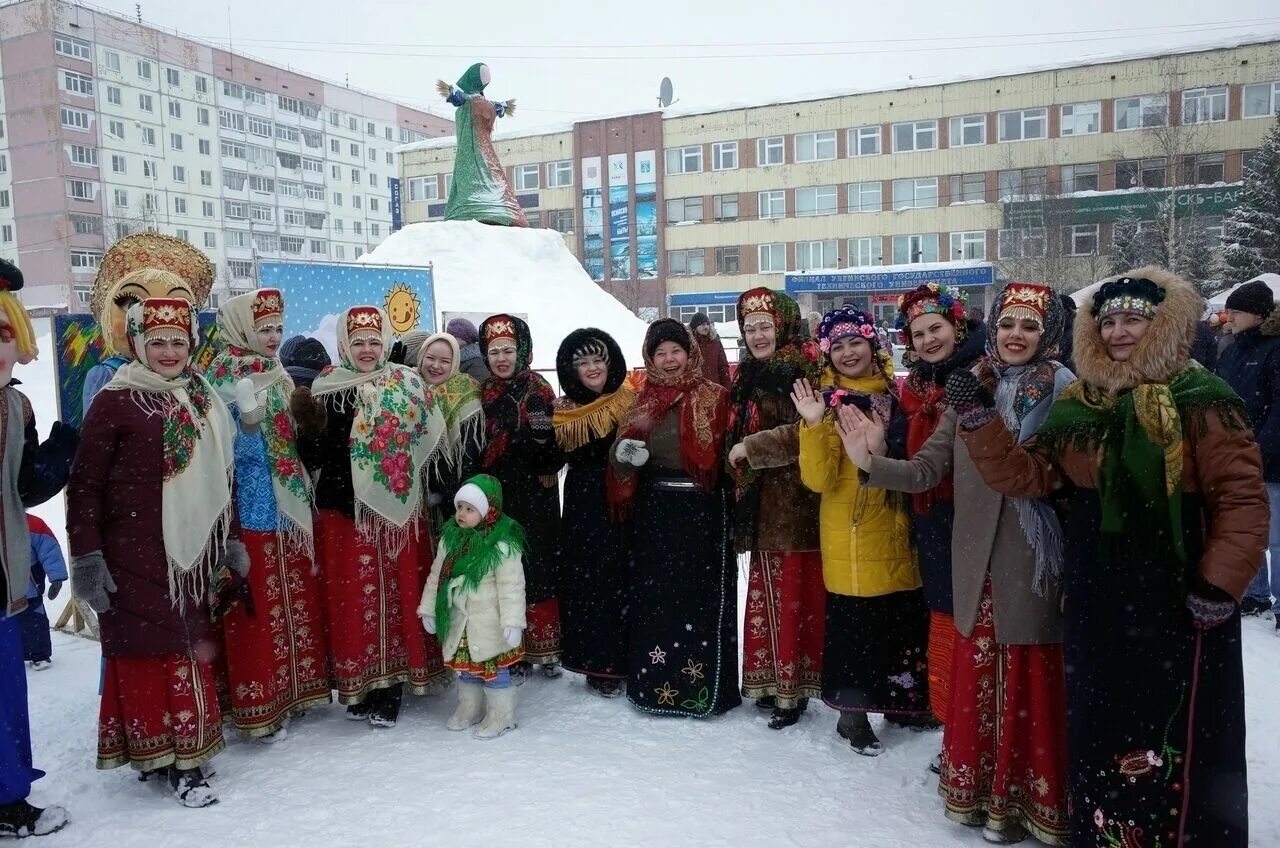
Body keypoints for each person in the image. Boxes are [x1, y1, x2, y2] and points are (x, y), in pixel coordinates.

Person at [952, 268, 1266, 848]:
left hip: (1177, 589)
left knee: (1170, 725)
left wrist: (1220, 584)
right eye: (1111, 320)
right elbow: (1029, 476)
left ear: (1162, 325)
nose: (1121, 331)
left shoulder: (1203, 398)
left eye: (1135, 320)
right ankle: (1104, 833)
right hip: (1097, 586)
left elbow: (1242, 499)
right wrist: (980, 422)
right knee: (1099, 718)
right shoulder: (1081, 402)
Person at [841, 283, 1073, 845]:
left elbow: (1041, 474)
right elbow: (925, 469)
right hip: (973, 552)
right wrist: (868, 460)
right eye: (1008, 325)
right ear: (993, 331)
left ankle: (1031, 801)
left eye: (1029, 326)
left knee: (1027, 676)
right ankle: (980, 794)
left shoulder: (1066, 392)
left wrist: (977, 416)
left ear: (1049, 335)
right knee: (980, 671)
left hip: (1030, 552)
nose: (1016, 336)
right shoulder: (975, 386)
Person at [68, 295, 240, 807]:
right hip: (130, 552)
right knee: (147, 654)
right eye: (157, 341)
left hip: (190, 556)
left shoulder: (202, 395)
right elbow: (85, 485)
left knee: (187, 648)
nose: (169, 351)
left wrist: (228, 539)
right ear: (138, 342)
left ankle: (188, 754)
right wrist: (86, 559)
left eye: (178, 341)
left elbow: (221, 478)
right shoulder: (115, 399)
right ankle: (160, 755)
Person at [292, 305, 446, 728]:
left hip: (396, 514)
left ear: (384, 344)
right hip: (342, 512)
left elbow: (425, 442)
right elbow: (315, 458)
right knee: (353, 601)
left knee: (395, 597)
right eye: (357, 341)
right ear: (343, 344)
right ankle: (361, 682)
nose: (365, 349)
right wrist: (309, 428)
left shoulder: (406, 383)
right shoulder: (326, 387)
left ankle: (392, 684)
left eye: (374, 341)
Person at [786, 307, 927, 756]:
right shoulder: (825, 405)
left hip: (898, 521)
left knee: (899, 616)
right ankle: (853, 716)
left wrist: (883, 448)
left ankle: (903, 703)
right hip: (850, 528)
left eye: (856, 342)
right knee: (857, 625)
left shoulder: (898, 395)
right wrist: (811, 425)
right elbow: (818, 480)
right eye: (838, 346)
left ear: (874, 345)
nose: (848, 353)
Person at [205, 289, 331, 741]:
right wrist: (247, 430)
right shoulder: (219, 376)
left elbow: (291, 435)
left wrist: (305, 421)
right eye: (265, 329)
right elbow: (215, 448)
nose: (274, 337)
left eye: (278, 328)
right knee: (256, 603)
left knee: (290, 595)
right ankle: (257, 700)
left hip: (289, 501)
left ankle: (294, 689)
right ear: (243, 329)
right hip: (250, 503)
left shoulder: (276, 371)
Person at [609, 319, 739, 717]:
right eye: (660, 353)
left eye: (676, 351)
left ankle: (705, 691)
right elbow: (618, 460)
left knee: (702, 601)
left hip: (702, 514)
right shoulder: (640, 402)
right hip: (654, 515)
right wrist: (625, 458)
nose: (668, 360)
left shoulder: (716, 398)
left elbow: (731, 457)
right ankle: (653, 687)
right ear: (650, 357)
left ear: (690, 354)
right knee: (657, 603)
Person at [723, 289, 824, 729]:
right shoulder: (748, 373)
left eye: (764, 325)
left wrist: (750, 447)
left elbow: (807, 430)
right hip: (764, 501)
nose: (757, 334)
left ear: (781, 325)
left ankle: (793, 691)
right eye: (750, 328)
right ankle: (769, 684)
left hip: (798, 500)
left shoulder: (801, 368)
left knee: (794, 597)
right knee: (766, 592)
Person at [895, 282, 987, 744]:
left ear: (957, 325)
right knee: (944, 615)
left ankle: (979, 728)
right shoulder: (912, 388)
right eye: (918, 335)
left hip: (981, 515)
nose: (929, 340)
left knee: (978, 619)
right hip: (931, 514)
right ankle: (954, 727)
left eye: (937, 328)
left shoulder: (983, 374)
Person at [1, 260, 73, 837]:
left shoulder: (13, 406)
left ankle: (7, 796)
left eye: (3, 333)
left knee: (5, 693)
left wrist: (60, 452)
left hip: (6, 577)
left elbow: (23, 488)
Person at [477, 315, 564, 677]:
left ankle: (545, 648)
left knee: (537, 566)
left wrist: (539, 444)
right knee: (502, 569)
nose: (501, 358)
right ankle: (511, 646)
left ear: (521, 350)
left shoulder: (538, 389)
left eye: (508, 350)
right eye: (494, 351)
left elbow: (551, 448)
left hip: (533, 493)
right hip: (497, 493)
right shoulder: (483, 392)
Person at [552, 328, 635, 697]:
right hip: (584, 504)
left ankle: (627, 658)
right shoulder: (562, 411)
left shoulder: (630, 399)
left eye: (597, 359)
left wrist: (630, 461)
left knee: (625, 578)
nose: (591, 368)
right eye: (582, 362)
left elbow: (644, 449)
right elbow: (548, 462)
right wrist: (539, 436)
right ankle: (595, 662)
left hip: (626, 497)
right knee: (589, 582)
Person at [419, 475, 526, 738]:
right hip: (461, 620)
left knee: (493, 671)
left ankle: (502, 714)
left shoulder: (502, 544)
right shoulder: (451, 540)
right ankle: (470, 706)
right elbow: (436, 577)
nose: (461, 515)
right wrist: (429, 608)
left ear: (487, 511)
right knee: (466, 669)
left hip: (490, 623)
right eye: (459, 508)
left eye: (470, 509)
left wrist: (513, 622)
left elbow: (512, 586)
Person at [80, 234, 215, 415]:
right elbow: (96, 434)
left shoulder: (190, 375)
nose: (157, 318)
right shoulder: (110, 375)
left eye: (177, 305)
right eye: (133, 305)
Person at [1216, 278, 1280, 625]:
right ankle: (1253, 594)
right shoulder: (1234, 348)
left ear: (1256, 314)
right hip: (1234, 455)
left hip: (1269, 460)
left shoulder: (1275, 349)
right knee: (1244, 528)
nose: (1229, 318)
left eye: (1236, 312)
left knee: (1276, 537)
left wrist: (1262, 450)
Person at [404, 331, 486, 536]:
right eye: (430, 358)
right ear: (421, 357)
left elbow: (470, 450)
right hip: (415, 487)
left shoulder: (466, 390)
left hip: (452, 485)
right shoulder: (407, 387)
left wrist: (459, 488)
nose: (436, 366)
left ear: (455, 363)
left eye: (445, 361)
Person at [437, 63, 526, 227]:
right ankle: (499, 207)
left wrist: (455, 95)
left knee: (471, 178)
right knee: (491, 175)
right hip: (484, 149)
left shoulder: (469, 101)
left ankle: (476, 208)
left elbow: (458, 99)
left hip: (470, 149)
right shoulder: (488, 104)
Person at [17, 515, 66, 670]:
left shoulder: (31, 523)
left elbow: (49, 549)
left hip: (28, 587)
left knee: (35, 621)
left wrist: (56, 576)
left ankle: (40, 655)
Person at [689, 312, 731, 388]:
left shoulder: (716, 344)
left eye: (707, 324)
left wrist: (728, 390)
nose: (706, 327)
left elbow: (723, 368)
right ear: (694, 327)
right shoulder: (688, 345)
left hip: (715, 390)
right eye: (702, 324)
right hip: (694, 392)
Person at [447, 318, 491, 384]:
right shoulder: (456, 356)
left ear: (464, 338)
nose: (450, 339)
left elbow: (480, 387)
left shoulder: (477, 361)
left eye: (453, 336)